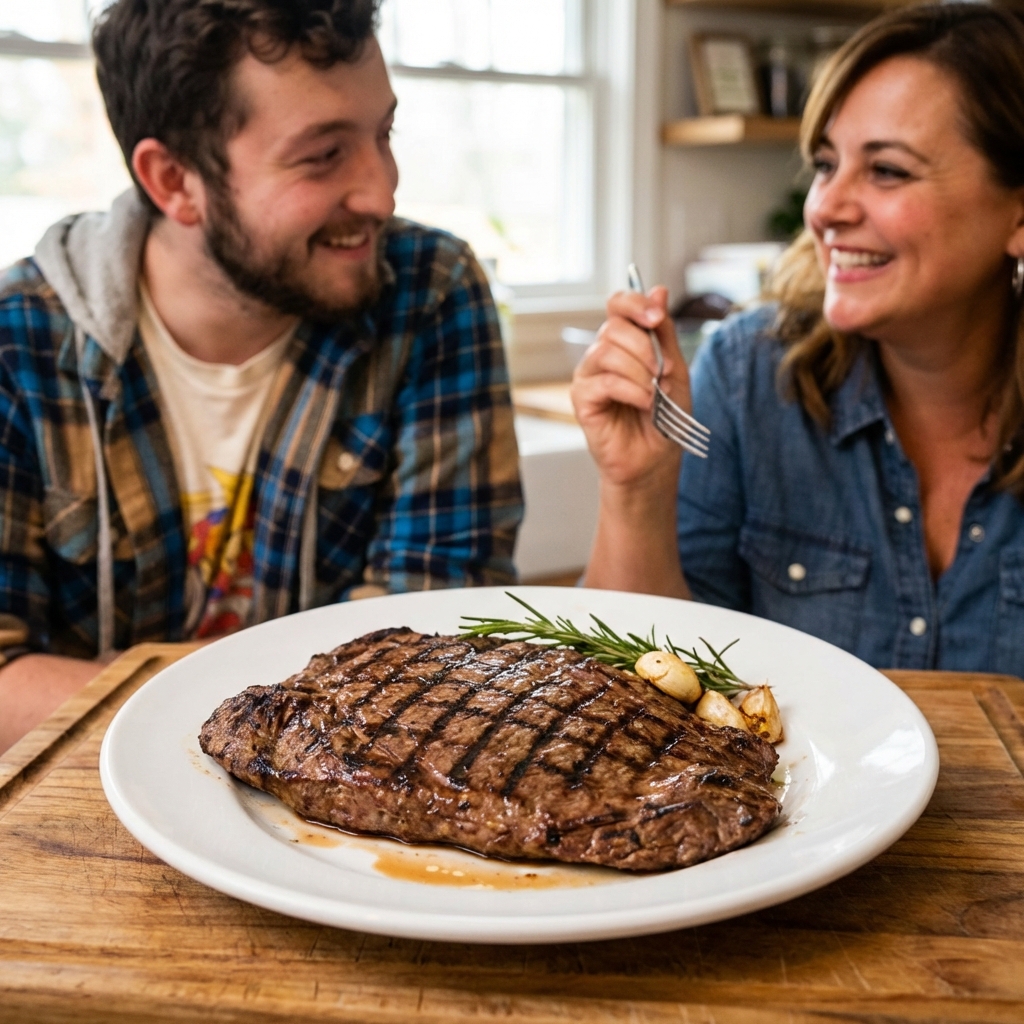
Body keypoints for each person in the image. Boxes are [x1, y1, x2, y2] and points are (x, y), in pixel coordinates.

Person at [0, 0, 523, 752]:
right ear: (174, 179)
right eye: (322, 155)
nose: (382, 192)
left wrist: (140, 694)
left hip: (344, 822)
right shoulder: (18, 340)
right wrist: (279, 712)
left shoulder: (431, 291)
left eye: (383, 134)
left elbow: (437, 636)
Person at [573, 3, 1024, 673]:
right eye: (824, 164)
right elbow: (642, 687)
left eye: (887, 170)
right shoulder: (750, 372)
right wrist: (636, 489)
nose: (824, 209)